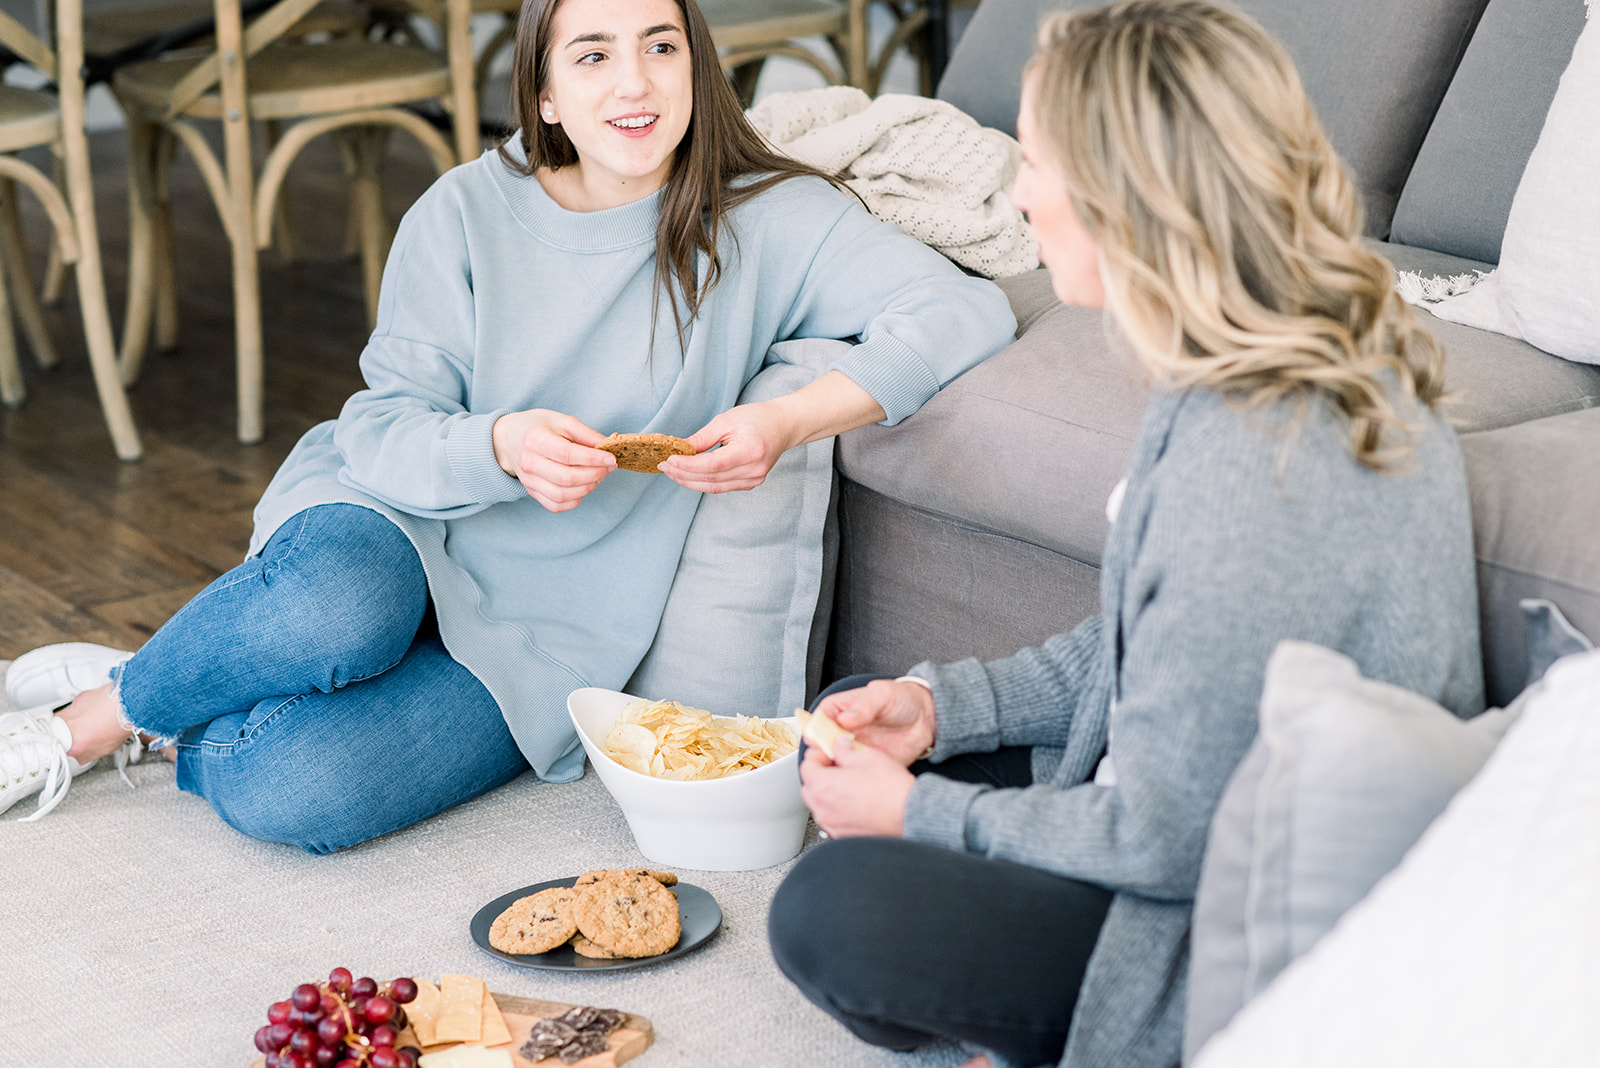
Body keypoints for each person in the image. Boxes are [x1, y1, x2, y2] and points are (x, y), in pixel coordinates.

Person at [0, 0, 1014, 845]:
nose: (634, 84)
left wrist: (788, 418)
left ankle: (172, 690)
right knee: (333, 613)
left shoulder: (769, 221)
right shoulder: (464, 211)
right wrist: (500, 443)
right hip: (394, 516)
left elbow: (964, 309)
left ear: (698, 70)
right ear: (544, 94)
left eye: (661, 47)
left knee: (299, 791)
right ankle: (89, 720)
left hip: (548, 623)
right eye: (594, 54)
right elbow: (386, 422)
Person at [766, 3, 1485, 1068]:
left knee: (832, 908)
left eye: (1038, 159)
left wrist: (923, 819)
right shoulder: (1244, 361)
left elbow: (1166, 837)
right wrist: (936, 710)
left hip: (1228, 930)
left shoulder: (1262, 464)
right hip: (1196, 813)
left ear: (1128, 199)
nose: (1015, 188)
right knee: (859, 721)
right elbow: (1132, 658)